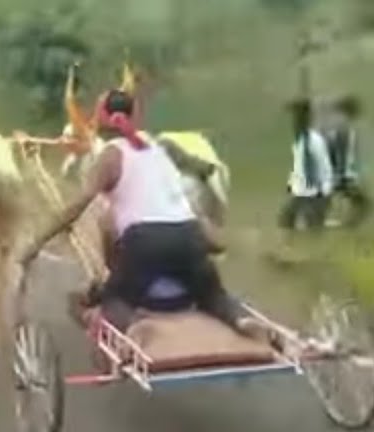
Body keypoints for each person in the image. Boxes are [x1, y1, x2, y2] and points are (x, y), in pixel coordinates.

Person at [22, 89, 267, 340]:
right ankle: (242, 320)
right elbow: (183, 207)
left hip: (145, 244)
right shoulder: (158, 148)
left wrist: (36, 243)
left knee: (113, 300)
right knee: (214, 296)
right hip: (189, 236)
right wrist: (217, 243)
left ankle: (130, 329)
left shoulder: (111, 155)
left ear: (101, 119)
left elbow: (78, 205)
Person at [279, 98, 334, 233]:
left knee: (304, 223)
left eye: (297, 117)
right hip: (313, 190)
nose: (293, 122)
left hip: (315, 191)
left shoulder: (308, 140)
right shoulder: (305, 139)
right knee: (291, 221)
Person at [325, 96, 368, 228]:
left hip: (337, 172)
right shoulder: (342, 126)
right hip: (339, 173)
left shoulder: (339, 125)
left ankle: (346, 225)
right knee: (363, 204)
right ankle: (348, 226)